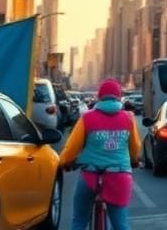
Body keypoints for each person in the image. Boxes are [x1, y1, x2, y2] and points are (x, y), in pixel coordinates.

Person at [59, 78, 142, 230]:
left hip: (90, 175)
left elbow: (72, 148)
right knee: (120, 225)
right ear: (119, 97)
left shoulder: (87, 118)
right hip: (119, 176)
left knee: (79, 221)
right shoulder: (128, 118)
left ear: (99, 97)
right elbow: (135, 147)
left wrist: (64, 161)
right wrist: (135, 160)